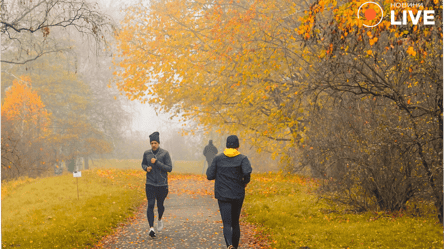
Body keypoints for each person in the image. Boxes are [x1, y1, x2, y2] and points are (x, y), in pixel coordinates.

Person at [206, 135, 253, 249]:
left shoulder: (218, 158)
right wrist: (245, 182)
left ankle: (229, 245)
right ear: (238, 146)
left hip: (223, 195)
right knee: (235, 222)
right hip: (237, 194)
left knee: (227, 223)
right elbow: (247, 173)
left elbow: (210, 175)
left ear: (226, 145)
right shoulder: (243, 158)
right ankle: (235, 247)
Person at [141, 131, 173, 238]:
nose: (153, 145)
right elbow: (143, 163)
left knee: (160, 206)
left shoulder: (164, 153)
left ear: (158, 143)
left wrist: (157, 162)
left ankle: (159, 219)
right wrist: (146, 168)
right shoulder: (146, 153)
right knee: (150, 205)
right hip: (150, 183)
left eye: (155, 143)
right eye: (152, 143)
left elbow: (169, 168)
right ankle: (151, 228)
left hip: (162, 184)